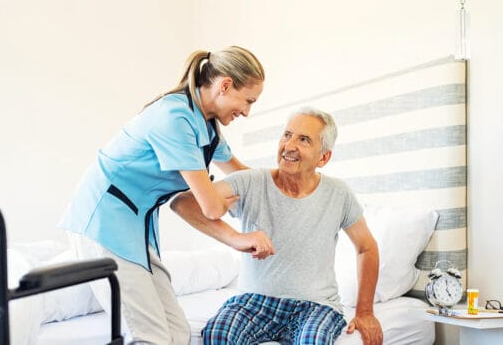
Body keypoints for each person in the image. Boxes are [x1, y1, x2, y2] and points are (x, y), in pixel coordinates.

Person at [58, 46, 266, 344]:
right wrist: (236, 231)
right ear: (225, 85)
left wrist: (285, 184)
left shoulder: (208, 128)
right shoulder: (175, 117)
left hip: (135, 228)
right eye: (248, 101)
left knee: (178, 333)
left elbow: (242, 175)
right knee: (150, 335)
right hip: (103, 220)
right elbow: (209, 206)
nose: (246, 111)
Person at [170, 107, 383, 345]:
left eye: (303, 139)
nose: (289, 145)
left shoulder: (339, 193)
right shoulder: (251, 181)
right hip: (254, 302)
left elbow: (366, 247)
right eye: (287, 135)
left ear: (323, 157)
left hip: (315, 306)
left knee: (313, 340)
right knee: (219, 334)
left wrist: (365, 312)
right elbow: (183, 204)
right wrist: (235, 238)